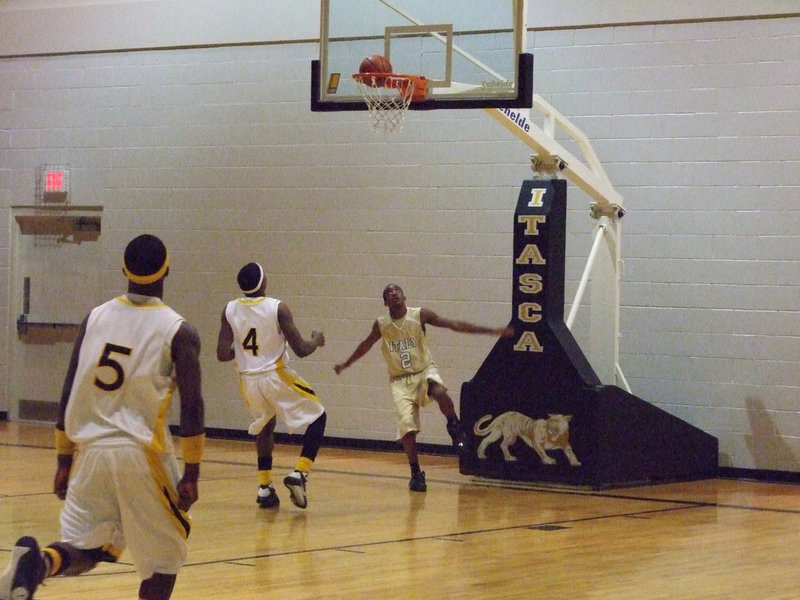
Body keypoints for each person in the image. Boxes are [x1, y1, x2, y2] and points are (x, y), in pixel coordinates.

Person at [0, 234, 205, 600]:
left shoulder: (94, 318)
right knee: (164, 563)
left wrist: (64, 461)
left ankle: (38, 564)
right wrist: (192, 472)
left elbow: (68, 391)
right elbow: (192, 406)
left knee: (90, 548)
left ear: (123, 270)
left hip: (89, 452)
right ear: (167, 269)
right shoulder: (179, 330)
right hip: (140, 454)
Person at [333, 283, 513, 493]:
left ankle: (454, 426)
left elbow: (453, 324)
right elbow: (366, 344)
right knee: (407, 431)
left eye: (396, 290)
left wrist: (490, 331)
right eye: (388, 292)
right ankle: (416, 472)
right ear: (385, 302)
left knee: (439, 391)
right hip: (400, 381)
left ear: (404, 296)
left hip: (423, 370)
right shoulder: (381, 324)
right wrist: (347, 363)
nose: (393, 293)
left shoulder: (420, 315)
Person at [216, 262, 327, 510]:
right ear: (263, 281)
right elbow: (301, 349)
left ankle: (265, 488)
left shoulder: (229, 309)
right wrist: (316, 340)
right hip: (274, 376)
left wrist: (244, 350)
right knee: (319, 416)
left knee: (266, 426)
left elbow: (222, 354)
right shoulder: (278, 308)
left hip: (247, 381)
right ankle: (300, 474)